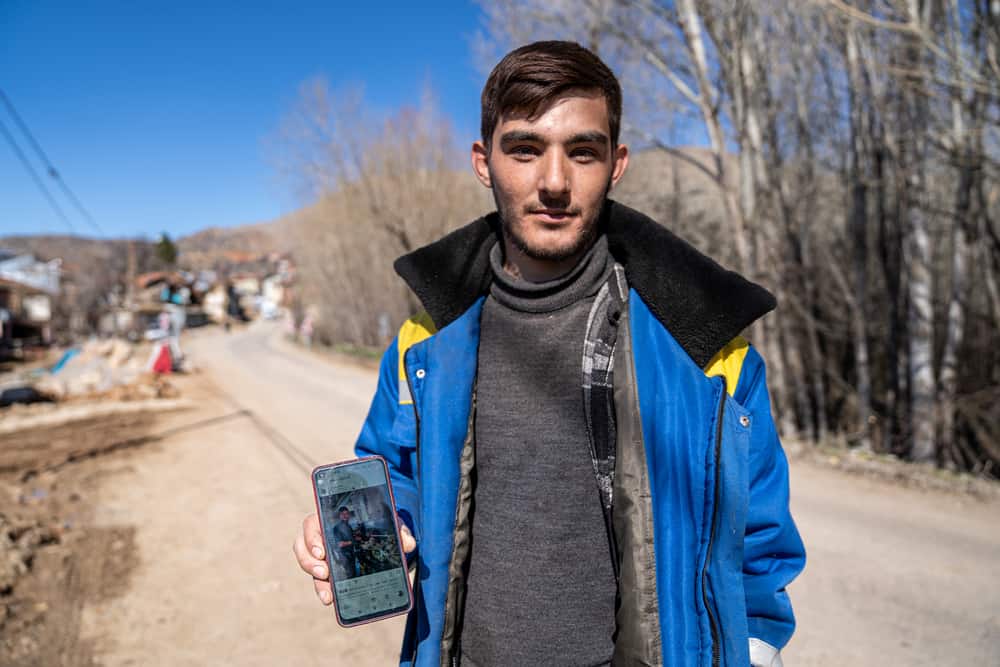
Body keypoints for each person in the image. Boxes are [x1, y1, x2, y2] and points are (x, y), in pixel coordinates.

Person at [293, 41, 805, 667]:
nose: (555, 182)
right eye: (525, 149)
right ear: (485, 162)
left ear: (616, 164)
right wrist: (373, 531)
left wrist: (756, 650)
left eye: (582, 151)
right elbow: (394, 473)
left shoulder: (704, 349)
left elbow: (760, 542)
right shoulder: (425, 341)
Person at [331, 506, 357, 579]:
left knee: (354, 574)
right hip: (345, 557)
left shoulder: (347, 525)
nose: (345, 516)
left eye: (347, 514)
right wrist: (352, 542)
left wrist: (355, 534)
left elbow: (349, 537)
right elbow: (340, 544)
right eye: (343, 514)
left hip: (351, 554)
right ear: (340, 516)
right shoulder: (337, 527)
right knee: (351, 576)